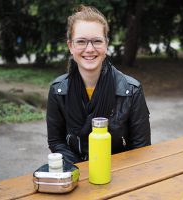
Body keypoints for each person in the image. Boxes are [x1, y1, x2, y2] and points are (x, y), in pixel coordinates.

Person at [46, 5, 151, 163]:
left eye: (96, 41)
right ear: (70, 46)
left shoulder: (132, 90)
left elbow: (141, 147)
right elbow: (56, 142)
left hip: (120, 173)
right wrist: (83, 170)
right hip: (77, 172)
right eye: (81, 41)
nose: (90, 49)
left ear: (106, 44)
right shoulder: (57, 90)